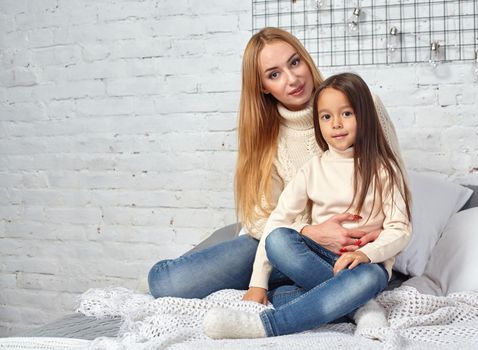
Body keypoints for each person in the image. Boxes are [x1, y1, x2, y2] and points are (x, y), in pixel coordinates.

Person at [148, 27, 404, 313]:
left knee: (307, 279)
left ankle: (337, 296)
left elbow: (395, 186)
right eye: (274, 74)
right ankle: (351, 299)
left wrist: (377, 234)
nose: (292, 79)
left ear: (306, 60)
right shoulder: (265, 136)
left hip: (352, 249)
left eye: (295, 62)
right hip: (289, 246)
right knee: (166, 283)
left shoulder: (364, 105)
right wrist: (309, 232)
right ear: (262, 86)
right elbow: (261, 218)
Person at [203, 72, 412, 338]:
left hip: (364, 266)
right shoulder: (313, 169)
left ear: (365, 116)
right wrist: (258, 283)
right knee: (278, 239)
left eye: (346, 114)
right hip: (319, 258)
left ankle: (266, 326)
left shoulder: (384, 168)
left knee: (367, 279)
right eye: (326, 117)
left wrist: (366, 254)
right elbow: (278, 220)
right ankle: (362, 306)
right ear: (318, 123)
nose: (336, 124)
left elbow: (400, 228)